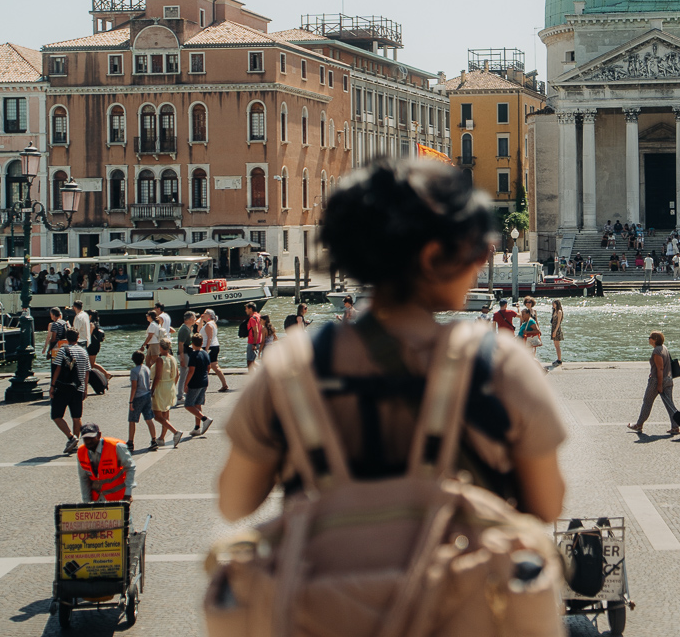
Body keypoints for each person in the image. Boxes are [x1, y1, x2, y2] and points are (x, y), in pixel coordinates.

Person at [218, 157, 566, 531]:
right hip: (458, 584)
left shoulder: (291, 365)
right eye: (478, 245)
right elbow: (547, 504)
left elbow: (235, 500)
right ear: (433, 256)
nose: (483, 258)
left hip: (324, 577)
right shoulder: (500, 366)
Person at [628, 331, 679, 436]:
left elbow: (660, 368)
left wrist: (659, 385)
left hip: (657, 381)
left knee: (647, 402)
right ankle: (675, 427)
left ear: (654, 339)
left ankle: (639, 425)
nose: (648, 339)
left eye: (650, 337)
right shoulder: (664, 348)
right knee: (669, 404)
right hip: (668, 379)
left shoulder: (657, 351)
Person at [50, 329, 90, 454]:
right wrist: (85, 388)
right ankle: (75, 443)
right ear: (78, 338)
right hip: (78, 387)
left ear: (67, 338)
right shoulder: (84, 352)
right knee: (76, 417)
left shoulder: (63, 350)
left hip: (63, 387)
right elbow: (87, 371)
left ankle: (71, 437)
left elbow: (58, 368)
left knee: (56, 415)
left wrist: (52, 385)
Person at [76, 422, 136, 503]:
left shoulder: (116, 447)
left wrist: (128, 494)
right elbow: (84, 478)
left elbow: (130, 467)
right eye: (85, 438)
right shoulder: (81, 452)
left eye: (91, 438)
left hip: (117, 498)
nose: (89, 441)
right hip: (96, 499)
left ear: (99, 435)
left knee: (123, 516)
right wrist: (86, 502)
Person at [151, 344, 187, 449]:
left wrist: (152, 389)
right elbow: (177, 374)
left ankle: (175, 432)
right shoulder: (172, 358)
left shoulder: (159, 359)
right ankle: (161, 438)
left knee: (157, 415)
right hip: (170, 386)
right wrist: (173, 385)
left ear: (161, 348)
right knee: (165, 414)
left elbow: (157, 376)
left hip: (161, 387)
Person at [125, 351, 157, 452]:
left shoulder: (134, 371)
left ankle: (130, 442)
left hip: (138, 397)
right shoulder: (147, 368)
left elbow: (134, 387)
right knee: (148, 418)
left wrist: (131, 401)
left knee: (132, 420)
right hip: (147, 395)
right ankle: (153, 440)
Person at [184, 334, 214, 436]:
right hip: (204, 381)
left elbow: (191, 370)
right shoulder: (205, 353)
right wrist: (205, 375)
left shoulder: (193, 355)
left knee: (188, 405)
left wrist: (186, 383)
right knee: (198, 404)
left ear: (192, 344)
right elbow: (208, 367)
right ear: (202, 343)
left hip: (195, 382)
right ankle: (197, 427)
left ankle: (204, 419)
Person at [203, 309, 228, 390]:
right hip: (214, 345)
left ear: (209, 315)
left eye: (205, 313)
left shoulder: (209, 325)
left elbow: (209, 338)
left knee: (206, 367)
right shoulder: (213, 323)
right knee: (214, 366)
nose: (203, 315)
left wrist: (206, 349)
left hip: (210, 346)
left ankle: (203, 386)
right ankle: (224, 384)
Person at [549, 300, 565, 368]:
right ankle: (558, 359)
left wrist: (555, 331)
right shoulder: (554, 311)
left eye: (554, 304)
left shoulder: (559, 311)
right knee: (555, 345)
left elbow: (558, 322)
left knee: (557, 345)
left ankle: (559, 360)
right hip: (553, 328)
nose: (553, 305)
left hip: (557, 329)